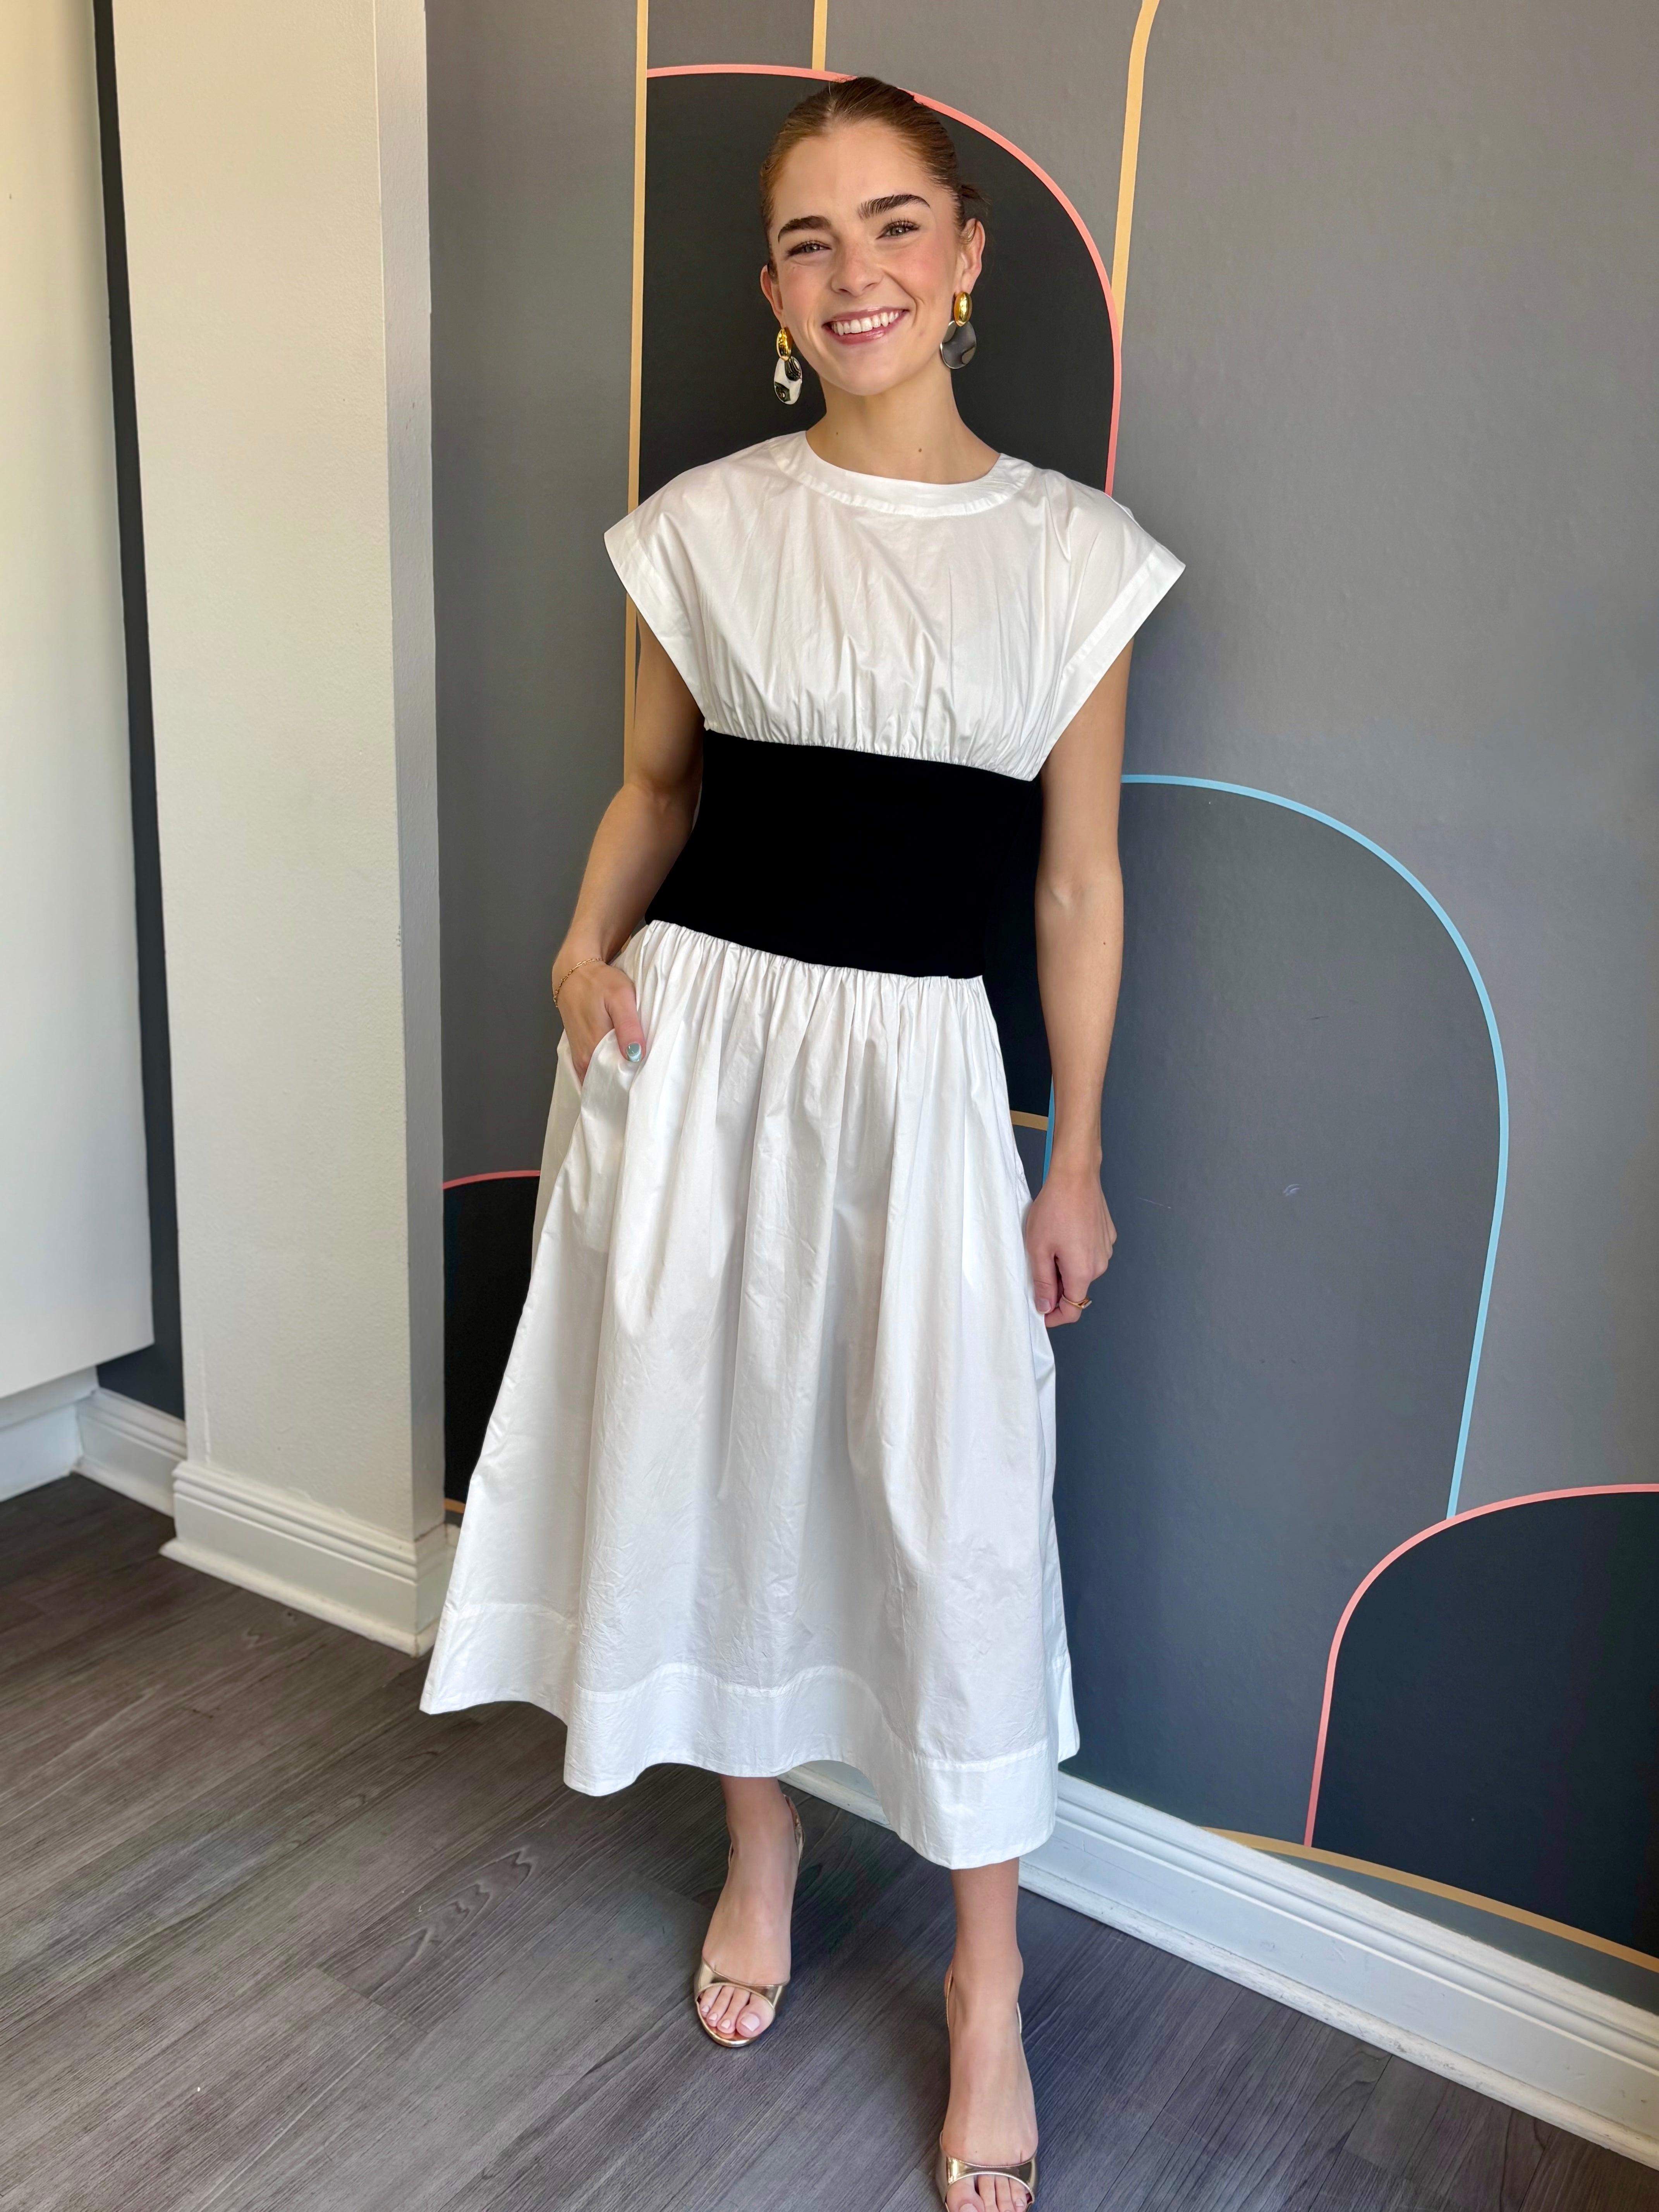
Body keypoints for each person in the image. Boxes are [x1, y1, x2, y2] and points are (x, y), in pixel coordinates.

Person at [420, 74, 1182, 2211]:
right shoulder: (699, 528)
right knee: (717, 1457)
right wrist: (579, 952)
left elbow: (1079, 886)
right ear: (771, 290)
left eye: (896, 224)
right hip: (700, 1060)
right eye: (810, 241)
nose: (858, 274)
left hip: (923, 1082)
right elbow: (659, 791)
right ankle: (757, 1850)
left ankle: (986, 1982)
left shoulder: (1076, 560)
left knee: (957, 1509)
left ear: (966, 257)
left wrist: (1076, 1154)